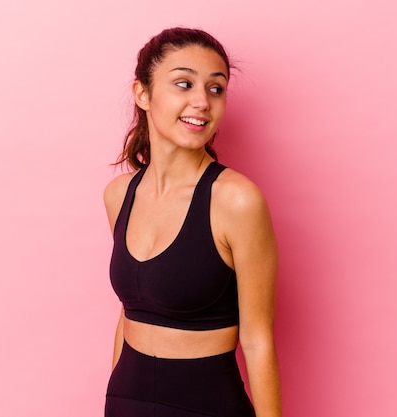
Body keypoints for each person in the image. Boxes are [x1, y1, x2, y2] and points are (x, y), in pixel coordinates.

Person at [103, 27, 281, 417]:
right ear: (143, 94)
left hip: (206, 406)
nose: (202, 101)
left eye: (216, 89)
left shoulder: (236, 200)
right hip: (125, 402)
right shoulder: (119, 195)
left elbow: (257, 340)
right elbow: (130, 312)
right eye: (184, 84)